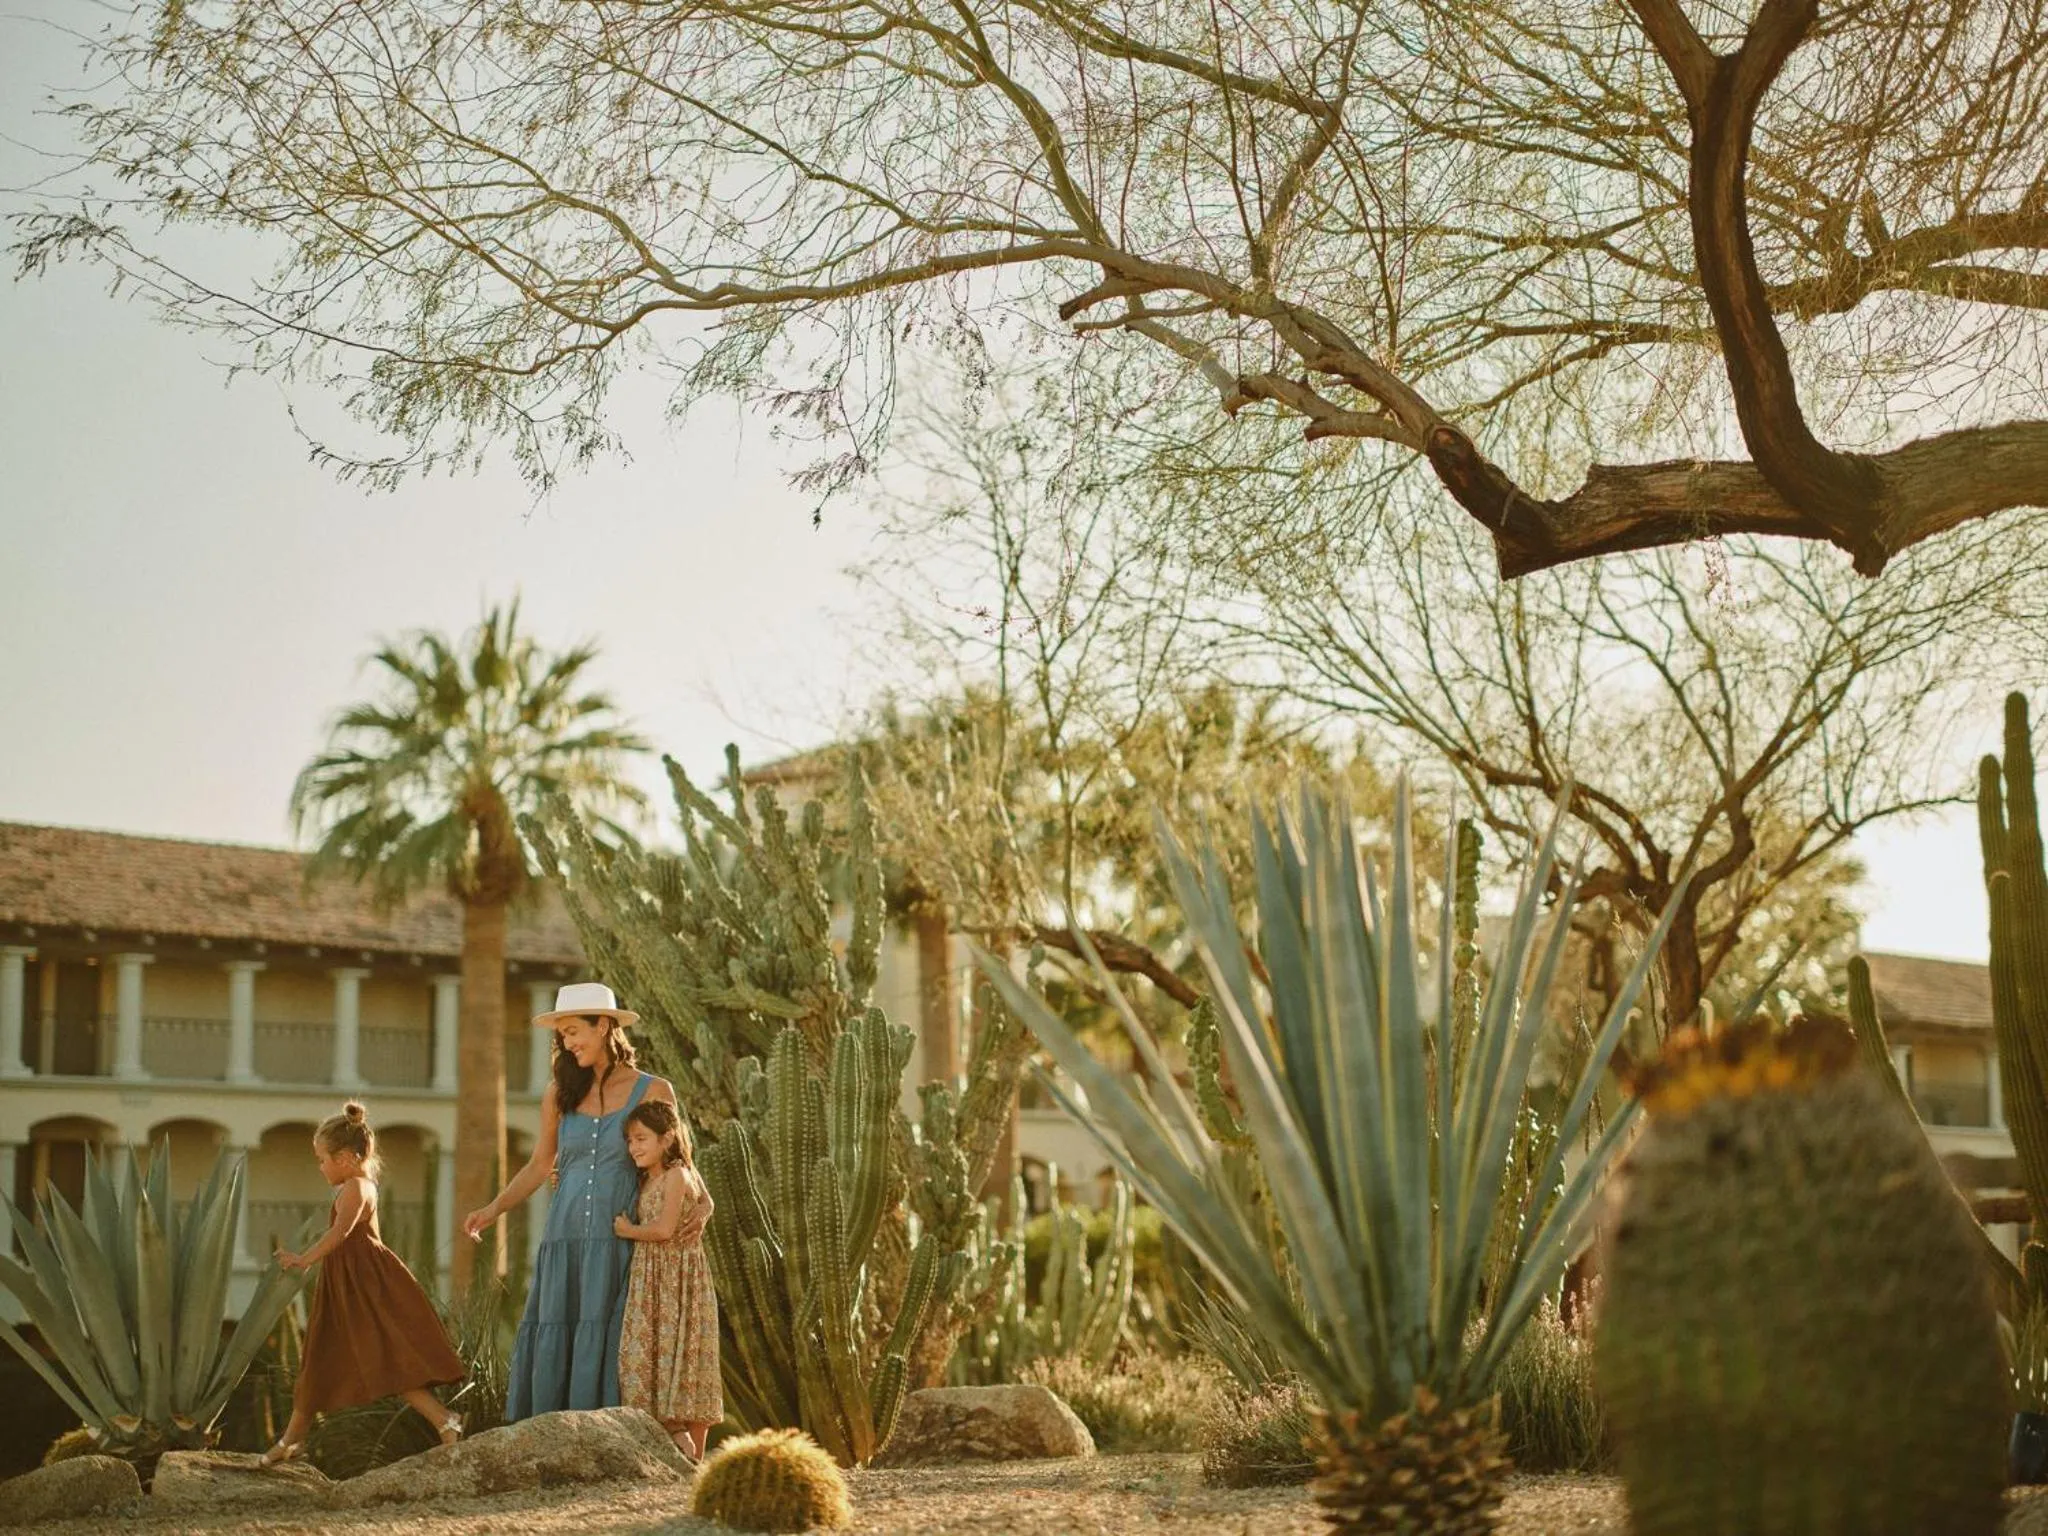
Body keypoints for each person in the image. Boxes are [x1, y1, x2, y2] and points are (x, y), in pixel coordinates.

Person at [463, 981, 679, 1419]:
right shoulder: (558, 1094)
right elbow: (541, 1164)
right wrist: (492, 1210)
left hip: (621, 1239)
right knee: (558, 1329)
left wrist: (684, 1220)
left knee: (610, 1332)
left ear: (603, 1026)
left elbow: (678, 1167)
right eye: (561, 1034)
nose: (566, 1042)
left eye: (573, 1031)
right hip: (564, 1238)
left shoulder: (655, 1091)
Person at [263, 1101, 465, 1466]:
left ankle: (445, 1420)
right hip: (347, 1287)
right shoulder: (358, 1184)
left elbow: (340, 1233)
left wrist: (303, 1259)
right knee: (320, 1361)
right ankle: (292, 1441)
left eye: (322, 1159)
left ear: (344, 1158)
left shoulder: (356, 1188)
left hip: (363, 1289)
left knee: (388, 1359)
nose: (320, 1166)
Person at [614, 1097, 721, 1459]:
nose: (634, 1147)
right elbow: (706, 1202)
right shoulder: (649, 1178)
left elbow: (663, 1229)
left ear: (667, 1138)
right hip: (653, 1279)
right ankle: (679, 1449)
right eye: (630, 1140)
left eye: (642, 1138)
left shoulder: (677, 1174)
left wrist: (628, 1230)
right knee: (654, 1355)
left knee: (686, 1355)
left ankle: (693, 1455)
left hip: (678, 1278)